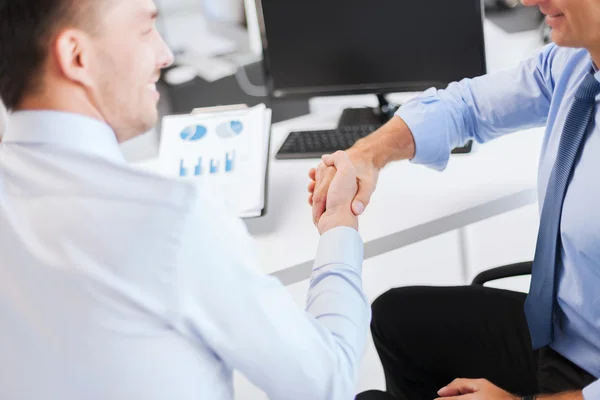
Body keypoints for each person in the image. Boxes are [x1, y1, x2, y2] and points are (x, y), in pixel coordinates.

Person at [0, 1, 372, 399]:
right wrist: (338, 227)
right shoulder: (167, 219)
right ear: (77, 56)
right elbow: (326, 384)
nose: (165, 54)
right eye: (145, 30)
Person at [310, 0, 600, 399]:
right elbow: (468, 107)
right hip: (567, 328)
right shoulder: (575, 65)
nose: (528, 1)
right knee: (396, 318)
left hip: (590, 374)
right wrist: (367, 156)